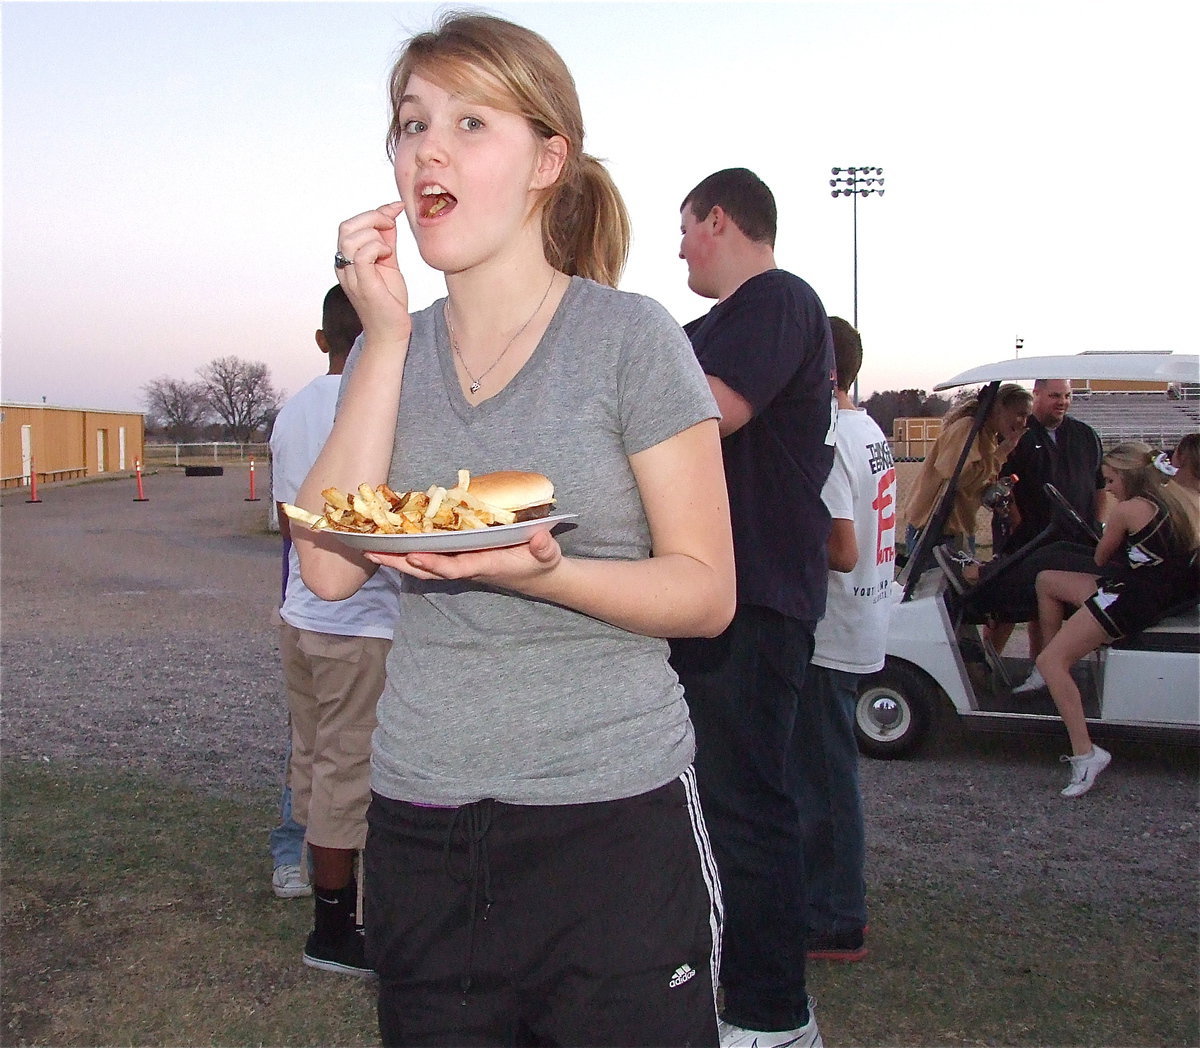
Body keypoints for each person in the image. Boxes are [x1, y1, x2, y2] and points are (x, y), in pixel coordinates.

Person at [292, 13, 735, 1045]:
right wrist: (384, 340)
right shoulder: (391, 351)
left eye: (470, 122)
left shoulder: (630, 339)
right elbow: (327, 565)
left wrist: (544, 573)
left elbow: (708, 589)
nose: (428, 152)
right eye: (412, 125)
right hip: (422, 823)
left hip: (612, 822)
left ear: (547, 161)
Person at [668, 166, 836, 1048]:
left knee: (746, 804)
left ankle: (774, 1015)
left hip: (757, 596)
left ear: (719, 219)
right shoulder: (709, 325)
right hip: (708, 598)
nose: (679, 249)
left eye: (685, 228)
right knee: (702, 804)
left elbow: (709, 411)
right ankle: (720, 981)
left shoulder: (779, 299)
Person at [270, 284, 396, 976]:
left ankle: (314, 882)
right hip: (361, 623)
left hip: (302, 616)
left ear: (323, 339)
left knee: (315, 758)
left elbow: (289, 524)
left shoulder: (294, 411)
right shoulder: (380, 403)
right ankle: (335, 929)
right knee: (350, 773)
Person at [797, 317, 896, 964]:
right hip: (863, 618)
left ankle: (837, 919)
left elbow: (841, 549)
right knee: (826, 773)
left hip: (832, 631)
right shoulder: (872, 431)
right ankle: (826, 901)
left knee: (826, 779)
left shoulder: (830, 439)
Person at [1031, 442, 1199, 797]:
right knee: (1047, 580)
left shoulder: (1127, 510)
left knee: (1051, 661)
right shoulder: (1176, 499)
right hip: (1153, 590)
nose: (1106, 488)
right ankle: (1049, 677)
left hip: (1131, 600)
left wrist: (1109, 532)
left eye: (1110, 481)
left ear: (1128, 476)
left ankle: (1085, 755)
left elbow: (1100, 557)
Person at [972, 379, 1109, 685]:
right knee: (1007, 602)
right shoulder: (1019, 435)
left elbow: (1099, 486)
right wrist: (1018, 525)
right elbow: (1002, 485)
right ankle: (982, 668)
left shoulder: (1085, 435)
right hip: (1027, 538)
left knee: (1049, 606)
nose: (1063, 401)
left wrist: (1096, 526)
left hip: (1074, 540)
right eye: (1055, 395)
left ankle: (1042, 668)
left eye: (1067, 396)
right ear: (1037, 395)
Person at [903, 383, 1031, 557]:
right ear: (999, 408)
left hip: (959, 531)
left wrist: (991, 494)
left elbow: (973, 482)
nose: (1023, 422)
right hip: (935, 531)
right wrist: (1002, 452)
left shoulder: (988, 436)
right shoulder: (967, 429)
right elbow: (957, 477)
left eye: (1027, 417)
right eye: (1020, 414)